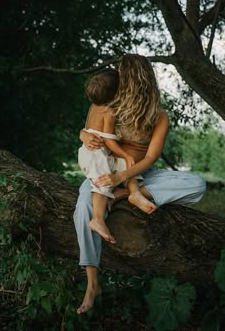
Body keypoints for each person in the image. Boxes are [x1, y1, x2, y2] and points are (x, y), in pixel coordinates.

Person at [74, 54, 206, 314]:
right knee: (83, 210)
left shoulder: (158, 117)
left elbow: (149, 158)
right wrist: (84, 135)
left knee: (197, 184)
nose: (117, 77)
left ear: (133, 79)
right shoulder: (107, 104)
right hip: (103, 171)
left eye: (121, 73)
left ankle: (123, 195)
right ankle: (92, 284)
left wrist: (121, 180)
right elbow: (87, 133)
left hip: (137, 174)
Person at [78, 69, 157, 244]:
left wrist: (124, 158)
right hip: (95, 155)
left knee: (124, 166)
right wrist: (126, 154)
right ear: (116, 93)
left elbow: (86, 129)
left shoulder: (93, 107)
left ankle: (134, 193)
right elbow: (110, 142)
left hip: (90, 153)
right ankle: (97, 218)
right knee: (103, 181)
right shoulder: (109, 113)